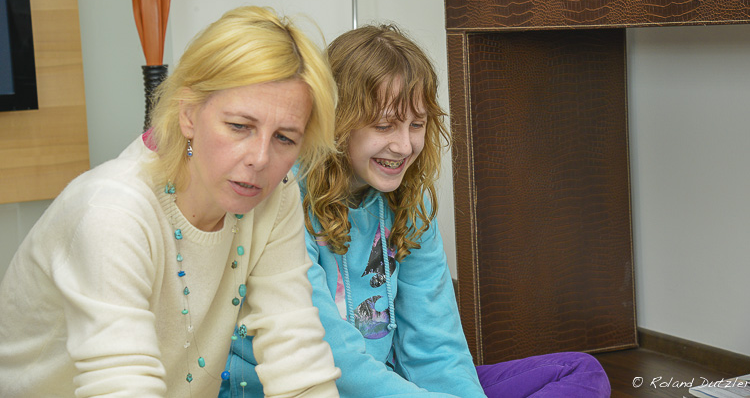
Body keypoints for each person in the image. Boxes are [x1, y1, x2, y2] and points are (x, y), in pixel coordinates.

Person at [221, 23, 611, 398]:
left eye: (417, 124)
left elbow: (436, 345)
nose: (405, 146)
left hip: (393, 385)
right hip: (310, 388)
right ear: (338, 121)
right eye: (385, 126)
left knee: (581, 372)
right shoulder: (285, 198)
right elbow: (331, 362)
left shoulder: (411, 202)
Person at [0, 6, 342, 397]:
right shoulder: (112, 213)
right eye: (239, 126)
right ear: (188, 113)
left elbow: (296, 354)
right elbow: (122, 389)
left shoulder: (276, 194)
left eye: (284, 138)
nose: (261, 159)